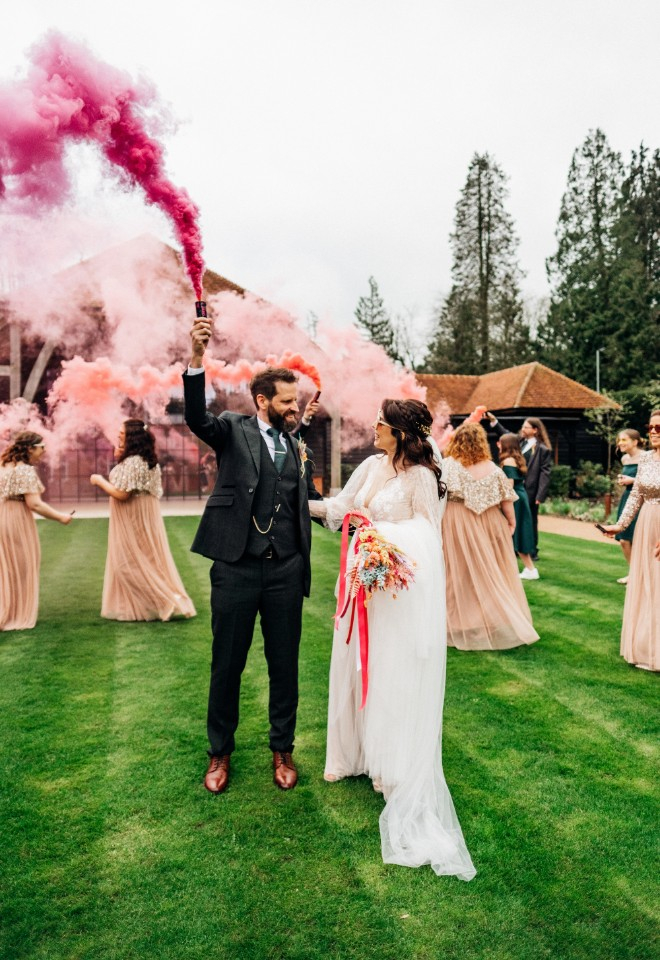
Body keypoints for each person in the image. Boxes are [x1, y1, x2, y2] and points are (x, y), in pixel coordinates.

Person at [309, 399, 475, 880]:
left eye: (381, 422)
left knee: (390, 672)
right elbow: (341, 510)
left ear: (400, 432)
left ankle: (390, 764)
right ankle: (352, 754)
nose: (374, 427)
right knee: (355, 664)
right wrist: (297, 504)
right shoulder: (369, 466)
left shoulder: (422, 477)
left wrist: (378, 538)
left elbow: (428, 533)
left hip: (397, 592)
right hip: (364, 585)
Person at [183, 316, 323, 795]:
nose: (295, 407)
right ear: (262, 401)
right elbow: (196, 419)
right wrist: (196, 357)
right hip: (237, 568)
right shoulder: (231, 430)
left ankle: (282, 749)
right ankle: (219, 754)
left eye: (296, 401)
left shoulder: (295, 442)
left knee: (285, 664)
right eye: (287, 401)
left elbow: (300, 500)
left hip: (286, 568)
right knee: (228, 664)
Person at [442, 422, 539, 651]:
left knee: (456, 572)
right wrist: (511, 522)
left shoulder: (446, 466)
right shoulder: (493, 469)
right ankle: (483, 620)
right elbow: (507, 501)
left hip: (455, 521)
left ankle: (456, 621)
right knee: (489, 570)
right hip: (488, 522)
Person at [90, 419, 196, 623]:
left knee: (126, 564)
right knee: (142, 560)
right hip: (140, 512)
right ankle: (144, 607)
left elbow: (122, 494)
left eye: (122, 432)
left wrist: (99, 481)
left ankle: (166, 600)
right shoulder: (142, 461)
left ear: (132, 437)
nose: (118, 434)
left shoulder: (135, 462)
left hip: (134, 514)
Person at [601, 410, 660, 671]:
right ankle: (648, 646)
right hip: (647, 524)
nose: (654, 431)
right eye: (651, 427)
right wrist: (620, 525)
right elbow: (636, 495)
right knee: (648, 583)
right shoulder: (646, 459)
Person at [0, 431, 73, 631]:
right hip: (16, 520)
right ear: (30, 448)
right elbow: (35, 504)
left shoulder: (4, 466)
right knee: (22, 566)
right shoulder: (24, 470)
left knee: (7, 566)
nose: (44, 451)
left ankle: (8, 608)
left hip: (3, 515)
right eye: (42, 447)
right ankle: (14, 614)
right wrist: (61, 517)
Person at [487, 413, 552, 560]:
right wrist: (494, 421)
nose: (522, 429)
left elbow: (545, 473)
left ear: (535, 430)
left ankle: (532, 550)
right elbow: (506, 436)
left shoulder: (543, 449)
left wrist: (540, 495)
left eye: (526, 427)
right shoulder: (519, 442)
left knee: (529, 521)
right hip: (517, 486)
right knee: (514, 519)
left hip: (530, 490)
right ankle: (516, 548)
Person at [497, 433, 538, 579]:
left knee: (516, 532)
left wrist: (499, 502)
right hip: (520, 496)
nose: (498, 445)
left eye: (500, 442)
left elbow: (509, 486)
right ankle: (526, 568)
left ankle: (530, 569)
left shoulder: (508, 461)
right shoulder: (516, 459)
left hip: (515, 499)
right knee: (518, 531)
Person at [613, 429, 644, 585]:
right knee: (624, 540)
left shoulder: (647, 458)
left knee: (639, 539)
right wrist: (623, 479)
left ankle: (643, 575)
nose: (620, 443)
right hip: (627, 499)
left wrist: (632, 480)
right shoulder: (625, 459)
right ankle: (633, 573)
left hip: (642, 500)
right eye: (619, 440)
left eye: (624, 440)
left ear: (635, 442)